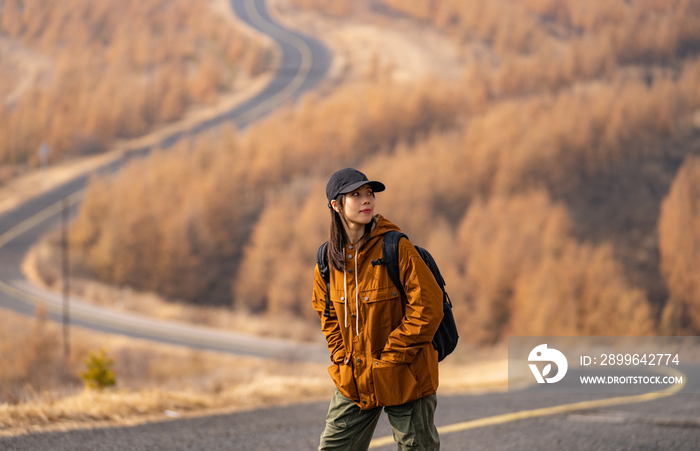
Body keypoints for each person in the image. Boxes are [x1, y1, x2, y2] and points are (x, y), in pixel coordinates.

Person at [312, 168, 444, 450]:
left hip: (406, 374)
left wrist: (391, 357)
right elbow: (327, 314)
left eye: (369, 194)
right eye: (355, 195)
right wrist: (341, 356)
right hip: (354, 377)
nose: (366, 200)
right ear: (336, 205)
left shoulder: (396, 246)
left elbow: (428, 308)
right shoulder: (327, 258)